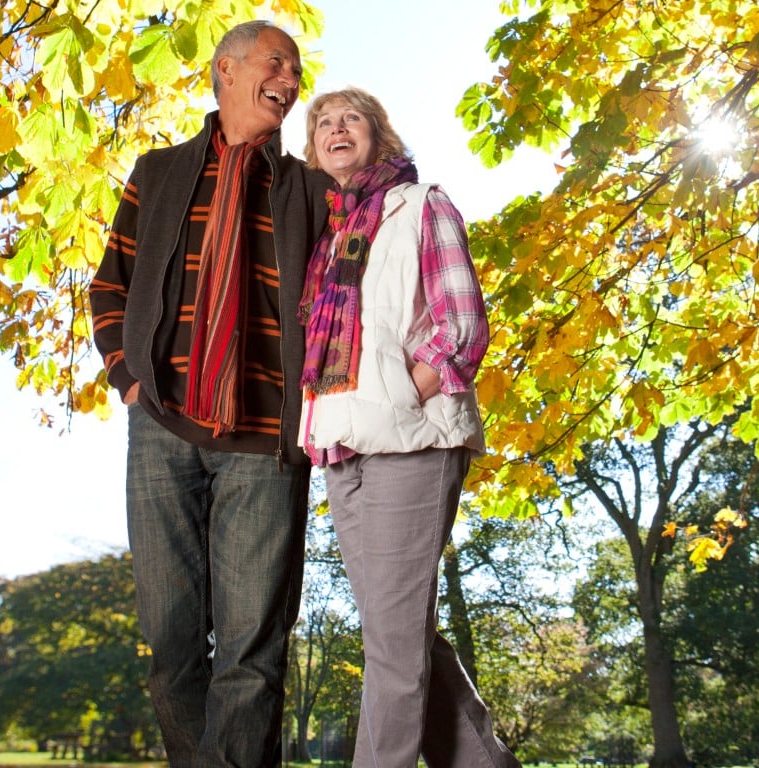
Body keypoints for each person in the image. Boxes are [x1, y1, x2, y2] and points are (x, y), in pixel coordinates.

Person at [88, 20, 331, 767]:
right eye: (276, 64)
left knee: (253, 650)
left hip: (265, 442)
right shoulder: (157, 172)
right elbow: (109, 285)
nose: (291, 83)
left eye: (295, 72)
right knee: (170, 644)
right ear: (226, 70)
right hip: (162, 429)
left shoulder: (312, 190)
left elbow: (346, 302)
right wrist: (129, 381)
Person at [298, 87, 521, 768]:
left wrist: (402, 394)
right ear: (313, 148)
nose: (337, 129)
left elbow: (462, 326)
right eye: (324, 123)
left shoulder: (421, 204)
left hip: (414, 438)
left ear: (379, 136)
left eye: (351, 119)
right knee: (400, 636)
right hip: (341, 447)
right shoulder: (324, 237)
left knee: (390, 648)